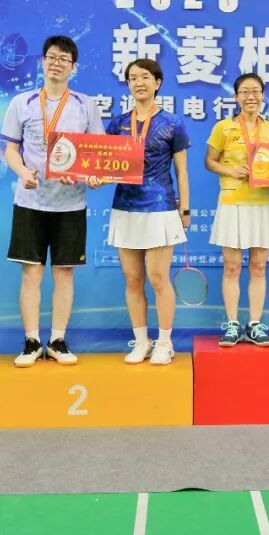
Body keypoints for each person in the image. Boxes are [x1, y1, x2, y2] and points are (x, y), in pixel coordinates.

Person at [1, 35, 103, 367]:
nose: (57, 63)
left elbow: (96, 155)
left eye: (64, 59)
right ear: (42, 62)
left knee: (64, 272)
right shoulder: (22, 102)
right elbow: (10, 149)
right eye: (52, 57)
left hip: (70, 204)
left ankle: (57, 340)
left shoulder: (86, 105)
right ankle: (32, 341)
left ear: (74, 68)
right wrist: (22, 172)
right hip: (30, 202)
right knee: (31, 274)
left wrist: (91, 176)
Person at [106, 59, 190, 365]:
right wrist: (95, 177)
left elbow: (182, 171)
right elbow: (107, 165)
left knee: (157, 278)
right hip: (125, 207)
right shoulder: (117, 124)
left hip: (160, 207)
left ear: (157, 83)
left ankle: (165, 342)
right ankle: (142, 341)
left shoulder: (172, 123)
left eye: (144, 77)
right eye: (132, 78)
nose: (138, 82)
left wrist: (185, 207)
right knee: (132, 279)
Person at [205, 72, 269, 347]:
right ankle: (232, 324)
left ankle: (255, 324)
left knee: (259, 266)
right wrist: (231, 170)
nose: (251, 97)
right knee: (232, 266)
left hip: (262, 203)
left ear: (263, 96)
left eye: (256, 91)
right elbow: (209, 161)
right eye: (245, 92)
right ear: (236, 97)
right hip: (232, 203)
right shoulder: (223, 127)